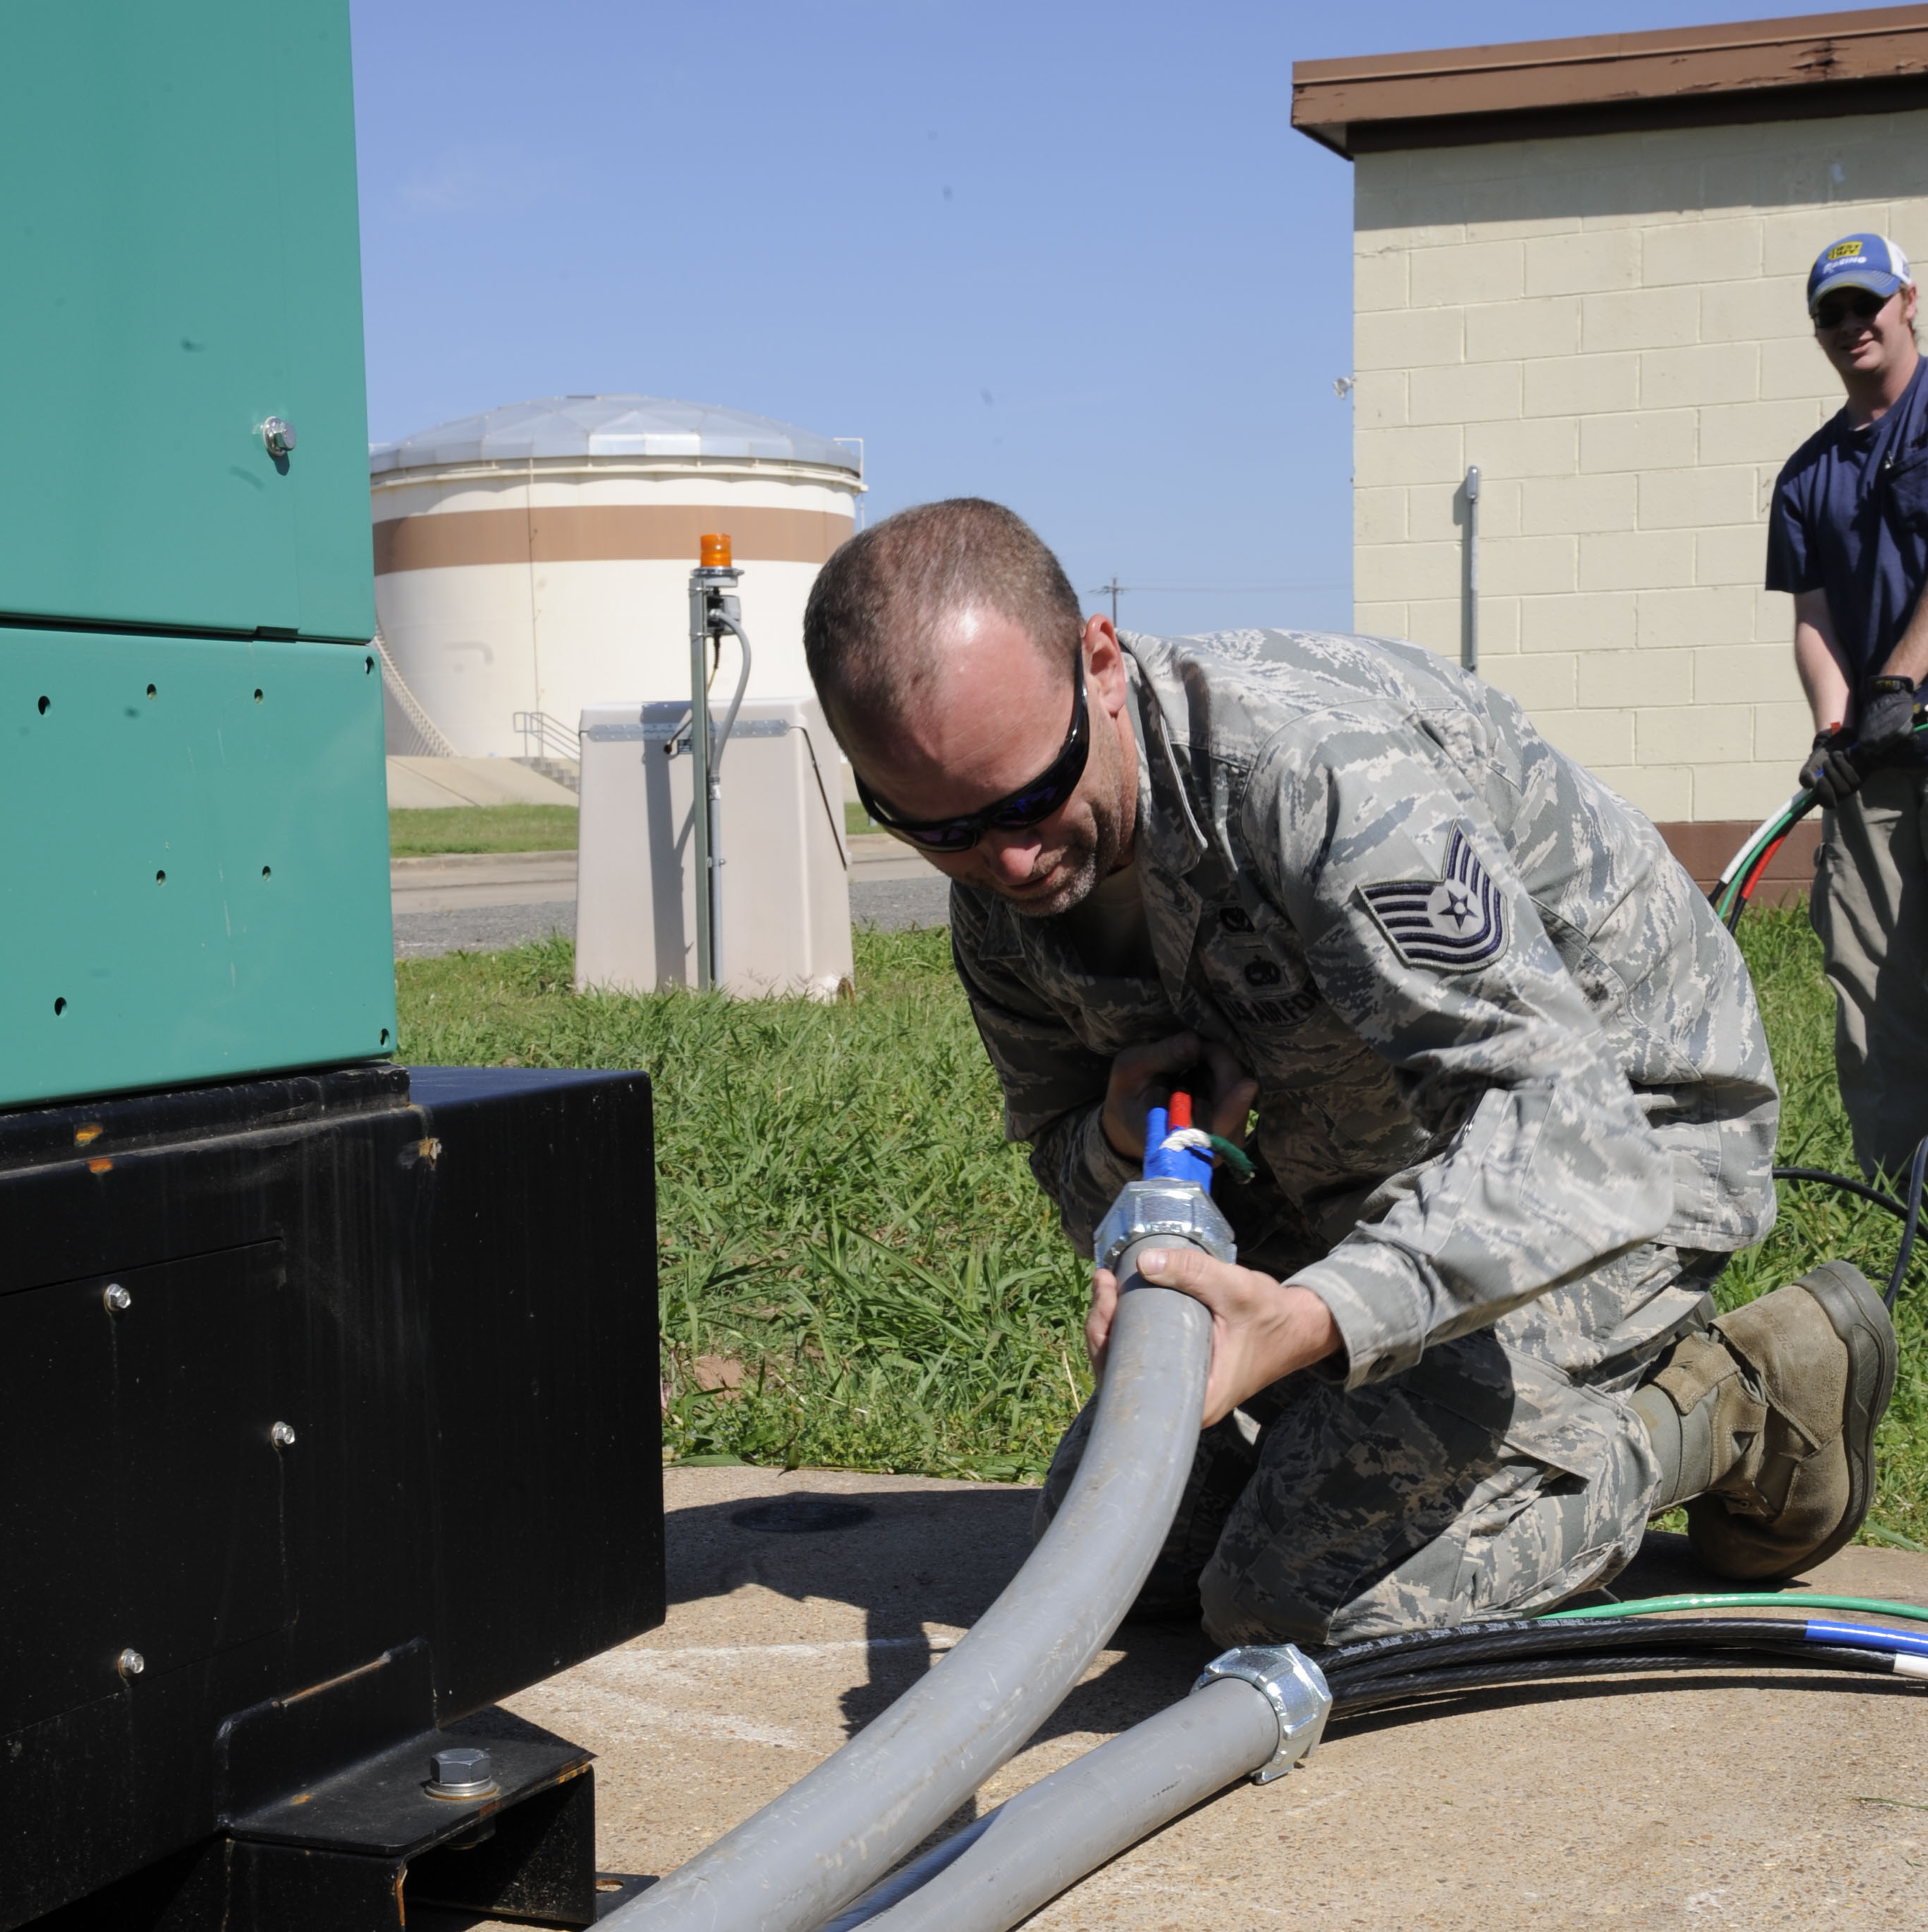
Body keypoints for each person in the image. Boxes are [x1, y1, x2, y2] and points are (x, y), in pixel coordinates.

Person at [803, 499, 1896, 1646]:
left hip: (1628, 1150)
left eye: (1033, 795)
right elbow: (1062, 1154)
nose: (1009, 859)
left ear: (1101, 662)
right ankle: (1372, 1423)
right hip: (1361, 1177)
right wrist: (1119, 1149)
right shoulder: (996, 900)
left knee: (1296, 1601)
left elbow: (1570, 1132)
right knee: (1119, 1549)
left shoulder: (1309, 780)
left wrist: (1314, 1318)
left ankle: (1727, 1404)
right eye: (939, 827)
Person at [1768, 229, 1928, 1181]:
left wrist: (1902, 681)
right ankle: (1895, 1200)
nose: (1851, 324)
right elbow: (1816, 618)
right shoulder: (1807, 475)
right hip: (1877, 761)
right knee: (1870, 983)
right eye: (1831, 310)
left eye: (1867, 302)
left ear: (1909, 301)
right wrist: (1837, 724)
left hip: (1907, 715)